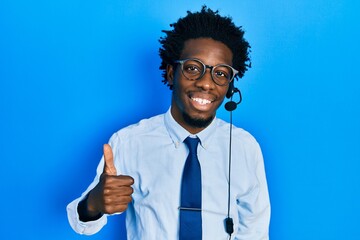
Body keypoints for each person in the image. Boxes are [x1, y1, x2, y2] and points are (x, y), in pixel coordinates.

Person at [67, 6, 270, 239]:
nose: (206, 83)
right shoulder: (129, 142)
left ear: (230, 87)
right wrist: (93, 203)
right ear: (171, 73)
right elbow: (81, 223)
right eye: (193, 68)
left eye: (221, 73)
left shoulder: (245, 147)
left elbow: (255, 231)